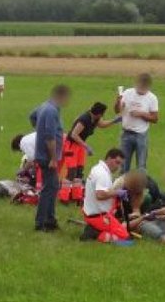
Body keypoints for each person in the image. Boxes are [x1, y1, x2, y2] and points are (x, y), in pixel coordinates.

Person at [33, 84, 71, 232]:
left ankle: (50, 219)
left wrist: (39, 129)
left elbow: (32, 116)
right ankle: (41, 222)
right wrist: (54, 158)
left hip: (44, 155)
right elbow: (50, 137)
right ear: (60, 96)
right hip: (47, 156)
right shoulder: (51, 111)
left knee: (53, 186)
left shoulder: (45, 106)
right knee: (49, 188)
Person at [81, 148, 130, 242]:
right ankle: (95, 233)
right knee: (125, 239)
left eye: (120, 164)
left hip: (93, 212)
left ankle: (95, 230)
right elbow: (100, 195)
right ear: (109, 159)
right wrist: (117, 193)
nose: (118, 167)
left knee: (122, 232)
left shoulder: (97, 168)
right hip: (98, 216)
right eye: (117, 162)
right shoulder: (102, 174)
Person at [63, 102, 120, 181]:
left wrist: (114, 121)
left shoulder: (96, 118)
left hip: (80, 145)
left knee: (79, 172)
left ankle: (76, 192)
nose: (103, 116)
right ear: (99, 114)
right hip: (71, 145)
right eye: (102, 114)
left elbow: (102, 124)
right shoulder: (84, 119)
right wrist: (86, 146)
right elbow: (74, 134)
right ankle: (64, 192)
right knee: (71, 172)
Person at [115, 73, 159, 173]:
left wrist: (141, 114)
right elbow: (117, 110)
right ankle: (122, 186)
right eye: (139, 87)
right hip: (126, 133)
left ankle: (140, 185)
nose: (141, 90)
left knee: (141, 165)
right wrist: (117, 102)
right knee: (123, 164)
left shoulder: (152, 98)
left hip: (141, 135)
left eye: (143, 88)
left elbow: (155, 118)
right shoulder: (127, 93)